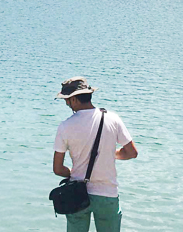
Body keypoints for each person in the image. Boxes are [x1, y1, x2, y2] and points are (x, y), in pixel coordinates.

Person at [53, 76, 138, 232]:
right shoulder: (112, 118)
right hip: (107, 193)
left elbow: (58, 169)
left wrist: (73, 173)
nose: (66, 103)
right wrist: (110, 154)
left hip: (77, 194)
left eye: (67, 100)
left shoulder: (65, 126)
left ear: (74, 99)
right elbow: (132, 153)